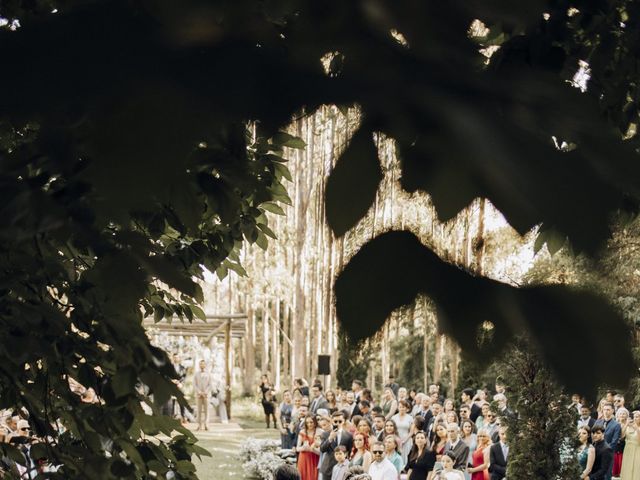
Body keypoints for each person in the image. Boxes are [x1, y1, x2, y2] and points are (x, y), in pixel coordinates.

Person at [320, 411, 354, 480]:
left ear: (343, 421)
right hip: (328, 468)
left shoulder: (349, 436)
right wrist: (330, 438)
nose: (338, 423)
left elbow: (349, 452)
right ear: (332, 421)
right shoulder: (325, 434)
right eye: (335, 421)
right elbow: (322, 449)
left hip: (342, 469)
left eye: (340, 421)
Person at [594, 403, 620, 479]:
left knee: (606, 475)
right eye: (604, 409)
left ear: (612, 411)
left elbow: (614, 441)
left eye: (608, 410)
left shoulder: (616, 425)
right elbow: (593, 437)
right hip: (596, 452)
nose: (606, 411)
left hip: (608, 454)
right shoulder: (598, 422)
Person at [297, 416, 321, 480]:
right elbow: (297, 448)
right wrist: (304, 448)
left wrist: (312, 449)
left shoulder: (320, 432)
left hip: (315, 458)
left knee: (314, 476)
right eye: (307, 422)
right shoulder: (302, 432)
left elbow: (321, 451)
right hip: (304, 458)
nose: (309, 424)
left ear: (315, 422)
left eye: (311, 422)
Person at [619, 409, 640, 479]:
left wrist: (637, 429)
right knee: (627, 467)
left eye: (637, 416)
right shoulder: (628, 426)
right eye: (634, 416)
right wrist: (626, 424)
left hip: (637, 449)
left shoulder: (637, 428)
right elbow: (621, 436)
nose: (635, 418)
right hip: (628, 449)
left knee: (636, 467)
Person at [391, 400, 413, 464]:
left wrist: (404, 440)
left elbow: (411, 431)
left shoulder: (410, 418)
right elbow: (392, 430)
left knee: (406, 456)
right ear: (398, 407)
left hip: (407, 439)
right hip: (396, 439)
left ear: (406, 408)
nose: (401, 408)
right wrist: (397, 440)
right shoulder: (394, 417)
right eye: (400, 407)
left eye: (403, 407)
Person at [194, 360, 212, 431]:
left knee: (207, 410)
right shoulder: (196, 374)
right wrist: (199, 392)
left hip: (206, 395)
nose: (202, 365)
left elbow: (210, 385)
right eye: (201, 364)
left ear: (205, 365)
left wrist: (205, 392)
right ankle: (199, 425)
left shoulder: (208, 374)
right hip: (198, 395)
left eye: (203, 364)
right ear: (199, 365)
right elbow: (194, 384)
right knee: (199, 410)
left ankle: (206, 424)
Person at [613, 407, 629, 478]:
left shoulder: (629, 424)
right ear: (617, 415)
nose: (622, 415)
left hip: (625, 446)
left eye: (624, 414)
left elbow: (622, 436)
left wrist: (626, 424)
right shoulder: (615, 424)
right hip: (616, 446)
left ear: (627, 416)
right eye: (620, 414)